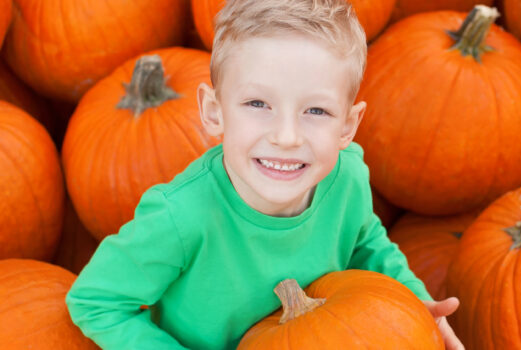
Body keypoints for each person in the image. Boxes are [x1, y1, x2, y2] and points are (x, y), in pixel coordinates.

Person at [65, 0, 463, 348]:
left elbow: (366, 244)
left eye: (316, 111)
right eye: (258, 103)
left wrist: (415, 305)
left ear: (347, 125)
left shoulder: (347, 180)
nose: (286, 137)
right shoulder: (181, 217)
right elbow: (95, 301)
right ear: (213, 111)